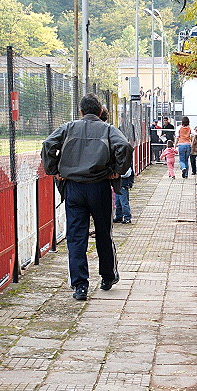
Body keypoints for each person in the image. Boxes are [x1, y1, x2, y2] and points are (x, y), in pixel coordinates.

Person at [41, 93, 133, 300]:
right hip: (99, 186)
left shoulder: (68, 128)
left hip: (73, 188)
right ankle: (107, 277)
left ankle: (80, 286)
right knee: (103, 233)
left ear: (81, 112)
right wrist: (118, 170)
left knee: (76, 237)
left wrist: (54, 169)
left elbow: (48, 145)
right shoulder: (108, 129)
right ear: (100, 112)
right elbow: (125, 146)